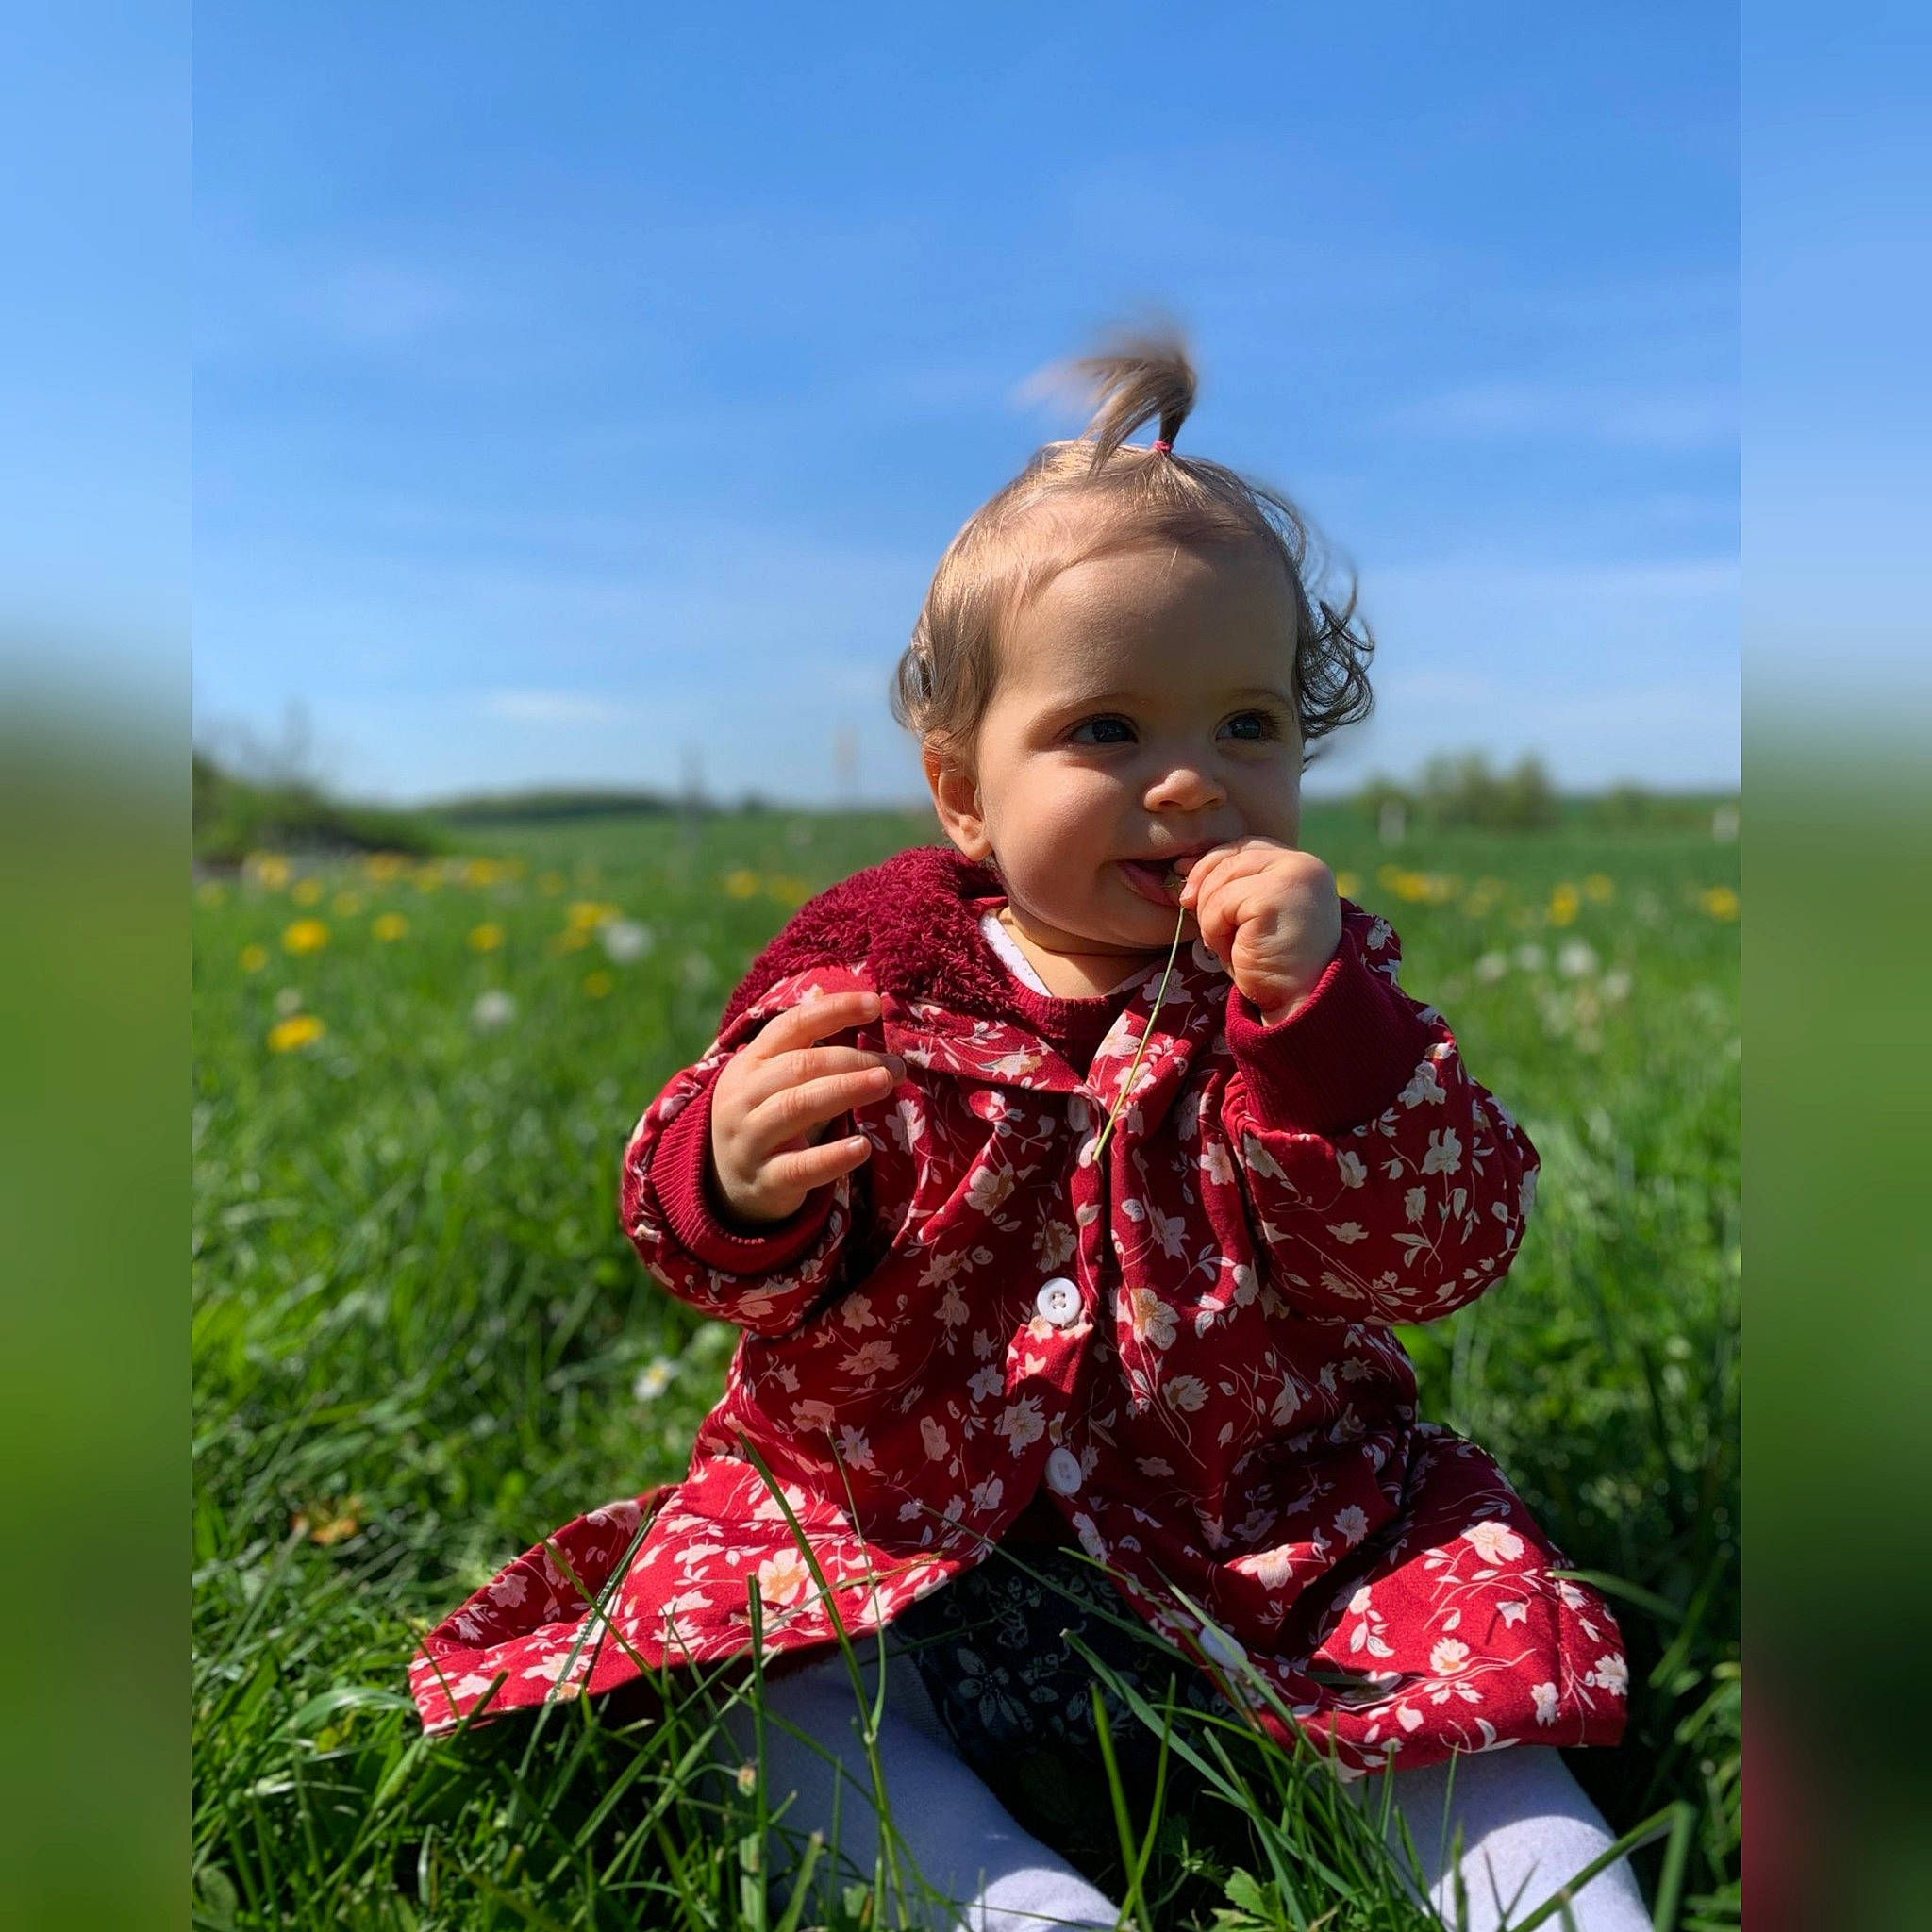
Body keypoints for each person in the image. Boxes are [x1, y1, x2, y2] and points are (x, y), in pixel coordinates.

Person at [411, 336, 1648, 1930]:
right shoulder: (867, 986)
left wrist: (1328, 1042)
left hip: (1273, 1545)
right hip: (909, 1552)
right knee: (759, 1696)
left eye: (1251, 725)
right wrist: (725, 1172)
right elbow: (743, 1275)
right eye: (1112, 732)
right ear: (963, 794)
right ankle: (1002, 1900)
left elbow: (1441, 1247)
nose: (1195, 783)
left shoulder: (1317, 1001)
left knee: (1464, 1698)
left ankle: (1549, 1899)